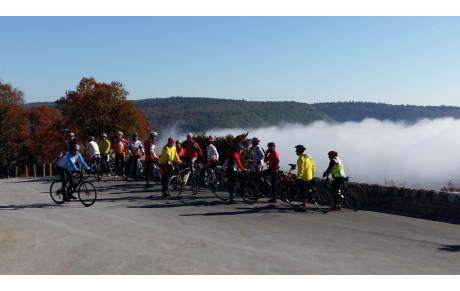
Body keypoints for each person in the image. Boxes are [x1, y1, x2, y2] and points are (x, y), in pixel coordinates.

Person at [294, 144, 315, 212]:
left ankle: (304, 207)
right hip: (309, 176)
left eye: (296, 150)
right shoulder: (308, 156)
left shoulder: (300, 158)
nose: (295, 151)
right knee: (309, 190)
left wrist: (298, 177)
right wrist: (312, 173)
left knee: (304, 192)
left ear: (299, 151)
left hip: (304, 177)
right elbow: (313, 165)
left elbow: (301, 170)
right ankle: (311, 198)